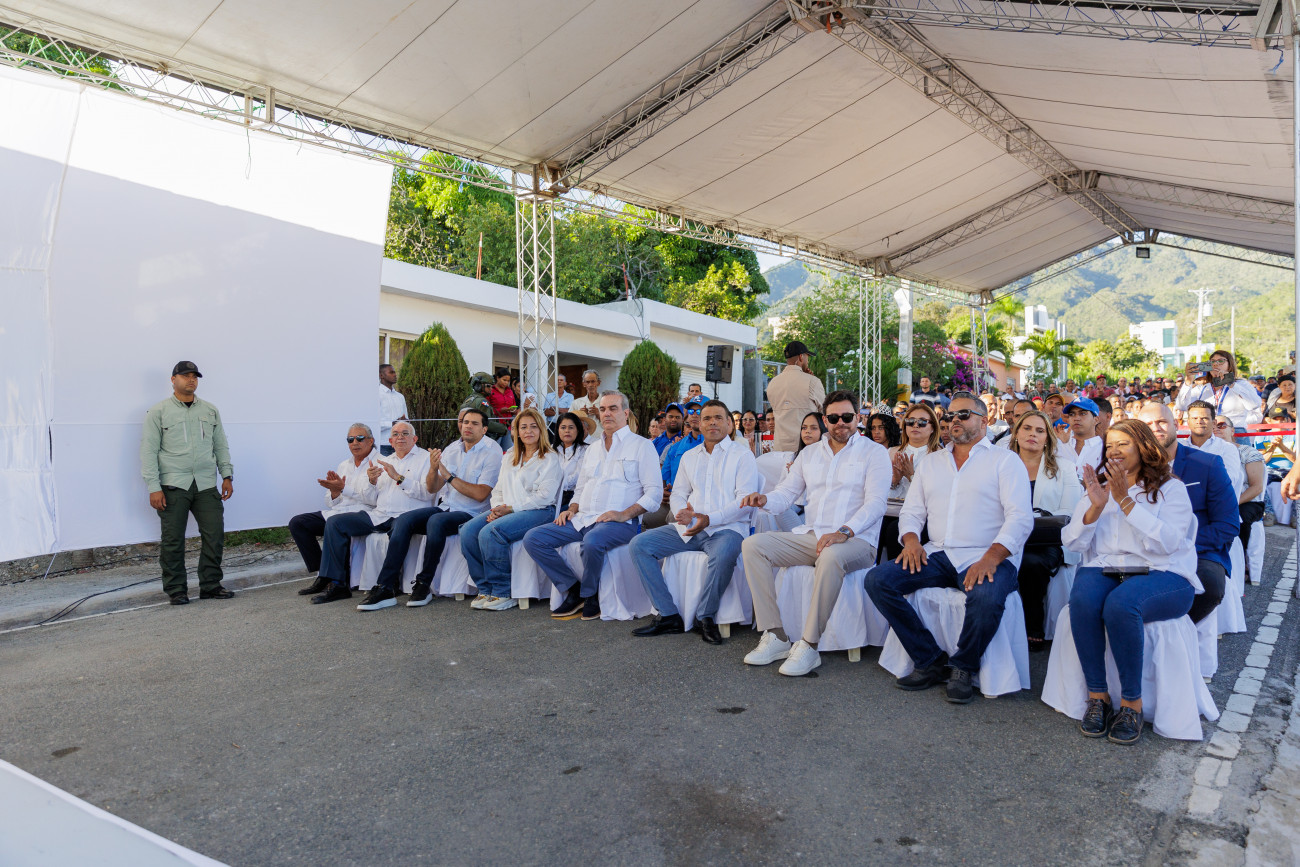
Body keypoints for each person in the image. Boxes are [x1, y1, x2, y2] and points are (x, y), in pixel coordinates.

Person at [865, 393, 1033, 704]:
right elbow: (912, 512)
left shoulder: (1005, 461)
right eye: (950, 416)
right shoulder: (932, 463)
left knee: (985, 597)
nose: (955, 420)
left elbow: (1020, 518)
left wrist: (991, 558)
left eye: (963, 415)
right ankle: (929, 659)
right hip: (939, 553)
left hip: (987, 553)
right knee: (878, 580)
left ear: (984, 421)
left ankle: (963, 667)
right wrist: (911, 541)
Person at [1063, 420, 1200, 745]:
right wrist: (1096, 507)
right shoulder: (1100, 487)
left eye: (1123, 444)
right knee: (1082, 600)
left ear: (1143, 447)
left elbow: (1167, 544)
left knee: (1122, 605)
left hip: (1163, 572)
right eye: (1110, 445)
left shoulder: (1171, 488)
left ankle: (1131, 704)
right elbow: (1072, 542)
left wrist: (1125, 501)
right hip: (1109, 568)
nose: (1114, 451)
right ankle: (1098, 697)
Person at [740, 391, 891, 677]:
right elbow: (786, 493)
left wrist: (844, 531)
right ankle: (776, 635)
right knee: (753, 546)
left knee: (831, 555)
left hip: (858, 541)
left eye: (847, 417)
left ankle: (809, 645)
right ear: (825, 419)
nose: (840, 422)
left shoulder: (875, 453)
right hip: (814, 536)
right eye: (833, 417)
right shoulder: (810, 454)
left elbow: (876, 503)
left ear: (858, 418)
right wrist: (765, 499)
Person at [523, 391, 662, 621]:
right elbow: (581, 487)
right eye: (603, 409)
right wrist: (572, 509)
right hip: (584, 518)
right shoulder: (593, 448)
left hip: (620, 523)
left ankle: (591, 596)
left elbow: (654, 494)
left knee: (593, 540)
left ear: (626, 413)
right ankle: (573, 589)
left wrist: (623, 514)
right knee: (533, 538)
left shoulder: (641, 446)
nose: (606, 413)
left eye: (613, 408)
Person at [629, 400, 758, 644]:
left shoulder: (743, 456)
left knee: (723, 554)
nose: (712, 423)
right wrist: (682, 513)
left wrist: (709, 519)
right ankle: (668, 615)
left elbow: (744, 501)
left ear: (730, 424)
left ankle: (705, 616)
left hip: (727, 529)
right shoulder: (689, 456)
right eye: (707, 418)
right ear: (699, 423)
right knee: (639, 545)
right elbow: (678, 493)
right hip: (689, 528)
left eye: (718, 418)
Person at [355, 407, 503, 610]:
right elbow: (433, 488)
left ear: (484, 429)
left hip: (472, 512)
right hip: (447, 507)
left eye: (474, 423)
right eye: (465, 422)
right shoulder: (452, 449)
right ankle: (385, 587)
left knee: (436, 521)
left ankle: (423, 584)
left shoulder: (492, 451)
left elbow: (481, 494)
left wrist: (449, 476)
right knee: (404, 520)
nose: (467, 426)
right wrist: (433, 469)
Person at [140, 360, 235, 605]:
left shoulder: (210, 410)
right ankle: (176, 590)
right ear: (174, 380)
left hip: (205, 484)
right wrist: (154, 487)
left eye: (194, 376)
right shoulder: (158, 412)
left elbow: (220, 445)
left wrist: (226, 475)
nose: (191, 380)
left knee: (214, 534)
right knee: (173, 540)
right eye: (185, 376)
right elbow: (148, 452)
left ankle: (210, 585)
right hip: (174, 485)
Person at [1137, 403, 1239, 626]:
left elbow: (1228, 524)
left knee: (1210, 586)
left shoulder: (1207, 464)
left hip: (1197, 548)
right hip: (1142, 547)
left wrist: (1180, 544)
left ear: (1175, 424)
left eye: (1161, 422)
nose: (1156, 428)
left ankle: (1179, 630)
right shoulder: (1133, 467)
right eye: (1148, 425)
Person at [310, 421, 432, 604]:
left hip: (407, 514)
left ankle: (387, 586)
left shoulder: (425, 459)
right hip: (380, 514)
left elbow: (428, 492)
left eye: (405, 433)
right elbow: (370, 499)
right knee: (335, 523)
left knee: (400, 525)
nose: (400, 437)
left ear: (414, 439)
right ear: (390, 441)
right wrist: (372, 482)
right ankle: (338, 585)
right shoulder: (386, 461)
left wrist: (399, 478)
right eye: (395, 434)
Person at [458, 408, 562, 611]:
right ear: (516, 431)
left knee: (491, 532)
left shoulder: (550, 458)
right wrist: (497, 508)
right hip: (507, 509)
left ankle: (502, 591)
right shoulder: (510, 456)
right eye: (523, 427)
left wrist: (511, 509)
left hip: (539, 511)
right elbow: (498, 489)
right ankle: (485, 588)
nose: (528, 431)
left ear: (541, 429)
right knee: (468, 531)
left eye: (533, 426)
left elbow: (544, 496)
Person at [1008, 410, 1081, 649]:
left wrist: (1026, 520)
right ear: (1016, 433)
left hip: (1047, 540)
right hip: (1006, 536)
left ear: (1048, 438)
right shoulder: (1001, 465)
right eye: (1027, 428)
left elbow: (1069, 511)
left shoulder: (1064, 467)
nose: (1033, 434)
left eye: (1040, 431)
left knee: (1030, 562)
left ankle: (1033, 624)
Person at [289, 423, 377, 592]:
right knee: (298, 523)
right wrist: (335, 492)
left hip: (364, 514)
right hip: (338, 512)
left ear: (371, 441)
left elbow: (373, 500)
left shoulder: (378, 463)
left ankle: (335, 580)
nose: (355, 443)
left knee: (336, 523)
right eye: (350, 440)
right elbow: (331, 502)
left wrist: (344, 489)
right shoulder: (344, 465)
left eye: (360, 438)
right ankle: (324, 574)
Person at [1214, 414, 1265, 581]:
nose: (1216, 428)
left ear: (1232, 430)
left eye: (1222, 425)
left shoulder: (1247, 452)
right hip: (1216, 501)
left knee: (1237, 517)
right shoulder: (1205, 452)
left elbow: (1256, 487)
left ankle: (1238, 563)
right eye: (1213, 425)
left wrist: (1232, 503)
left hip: (1246, 501)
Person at [650, 397, 705, 528]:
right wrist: (662, 491)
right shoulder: (676, 447)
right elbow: (663, 476)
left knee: (675, 518)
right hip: (671, 500)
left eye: (699, 411)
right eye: (691, 411)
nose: (694, 415)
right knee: (643, 517)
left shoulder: (712, 445)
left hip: (697, 503)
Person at [765, 341, 826, 452]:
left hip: (780, 449)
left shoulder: (772, 383)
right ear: (801, 357)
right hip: (807, 449)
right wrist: (810, 379)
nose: (808, 361)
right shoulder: (812, 382)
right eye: (807, 357)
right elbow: (825, 413)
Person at [1177, 350, 1263, 429]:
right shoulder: (1203, 388)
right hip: (1210, 433)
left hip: (1235, 431)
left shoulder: (1241, 384)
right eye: (1212, 361)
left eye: (1221, 361)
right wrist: (1188, 381)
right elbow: (1182, 406)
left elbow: (1254, 404)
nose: (1216, 364)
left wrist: (1232, 384)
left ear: (1229, 365)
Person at [1184, 400, 1245, 495]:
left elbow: (1228, 482)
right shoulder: (1178, 447)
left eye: (1204, 418)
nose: (1199, 422)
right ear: (1188, 422)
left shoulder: (1227, 449)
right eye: (1194, 418)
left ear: (1214, 423)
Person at [889, 403, 942, 502]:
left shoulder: (941, 456)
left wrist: (911, 476)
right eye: (910, 421)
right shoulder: (891, 453)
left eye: (922, 422)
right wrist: (895, 481)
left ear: (933, 428)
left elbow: (939, 496)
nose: (915, 425)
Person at [553, 411, 588, 511]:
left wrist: (553, 483)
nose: (567, 431)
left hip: (574, 497)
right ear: (558, 430)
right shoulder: (552, 450)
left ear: (578, 430)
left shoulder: (585, 450)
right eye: (563, 427)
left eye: (571, 427)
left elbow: (578, 477)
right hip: (552, 495)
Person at [1064, 397, 1104, 479]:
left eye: (1083, 414)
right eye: (1072, 414)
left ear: (1096, 420)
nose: (1076, 418)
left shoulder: (1104, 449)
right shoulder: (1061, 445)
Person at [462, 372, 509, 440]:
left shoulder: (469, 398)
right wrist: (503, 428)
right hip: (482, 438)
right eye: (488, 386)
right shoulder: (483, 402)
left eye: (492, 386)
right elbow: (486, 423)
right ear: (479, 386)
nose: (491, 389)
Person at [378, 363, 409, 457]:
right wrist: (392, 423)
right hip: (384, 444)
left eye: (395, 372)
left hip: (401, 443)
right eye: (391, 372)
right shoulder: (376, 395)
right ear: (381, 375)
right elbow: (373, 422)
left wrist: (405, 422)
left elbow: (406, 419)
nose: (395, 375)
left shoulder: (400, 396)